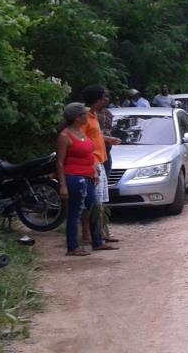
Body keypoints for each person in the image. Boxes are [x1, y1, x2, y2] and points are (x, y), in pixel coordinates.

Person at [56, 103, 100, 256]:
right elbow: (60, 162)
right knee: (75, 212)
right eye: (84, 115)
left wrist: (94, 170)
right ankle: (72, 246)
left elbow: (88, 154)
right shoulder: (65, 136)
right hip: (74, 177)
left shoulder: (81, 132)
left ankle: (97, 242)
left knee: (94, 207)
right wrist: (63, 185)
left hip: (87, 176)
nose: (87, 117)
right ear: (77, 118)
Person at [80, 85, 120, 251]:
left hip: (100, 161)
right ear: (97, 99)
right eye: (104, 97)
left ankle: (100, 235)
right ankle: (94, 239)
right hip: (93, 163)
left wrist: (107, 139)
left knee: (100, 202)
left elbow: (93, 135)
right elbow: (80, 138)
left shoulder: (94, 115)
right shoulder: (84, 117)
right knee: (94, 203)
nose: (106, 99)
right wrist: (91, 163)